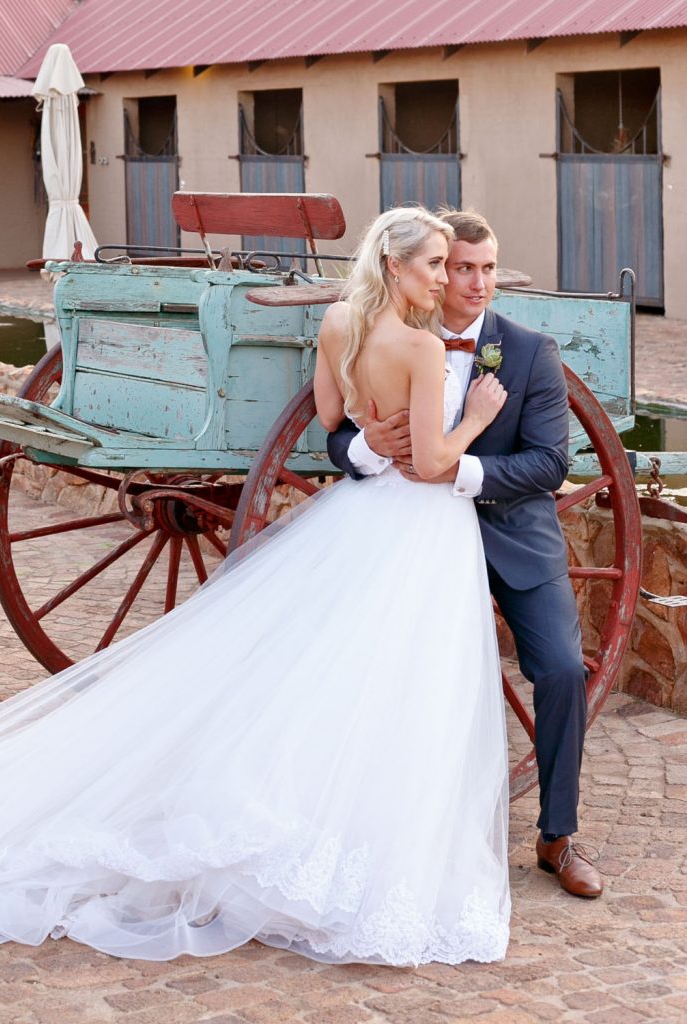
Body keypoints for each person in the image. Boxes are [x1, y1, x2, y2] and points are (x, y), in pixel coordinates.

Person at [0, 207, 513, 967]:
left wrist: (369, 436)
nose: (447, 279)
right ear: (397, 267)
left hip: (362, 520)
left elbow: (330, 418)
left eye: (452, 265)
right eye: (436, 264)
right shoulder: (426, 347)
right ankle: (364, 842)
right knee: (400, 684)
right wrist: (474, 414)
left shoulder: (337, 321)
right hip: (413, 527)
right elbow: (438, 464)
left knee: (347, 675)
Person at [327, 208, 602, 899]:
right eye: (464, 268)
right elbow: (333, 434)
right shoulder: (392, 330)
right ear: (434, 268)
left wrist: (460, 472)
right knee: (383, 673)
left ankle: (559, 838)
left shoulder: (530, 349)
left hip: (511, 530)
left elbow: (547, 463)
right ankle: (386, 829)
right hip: (410, 535)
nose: (480, 284)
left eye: (489, 269)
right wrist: (368, 448)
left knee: (563, 669)